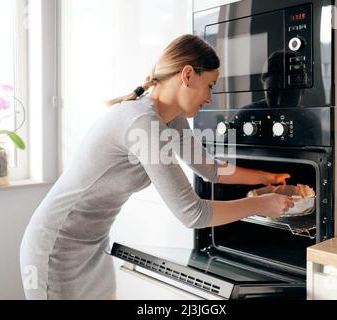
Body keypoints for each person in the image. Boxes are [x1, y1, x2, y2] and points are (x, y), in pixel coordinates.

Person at [20, 34, 294, 300]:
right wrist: (261, 205)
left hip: (94, 244)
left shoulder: (171, 120)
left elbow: (211, 169)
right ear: (187, 75)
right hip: (56, 247)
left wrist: (267, 177)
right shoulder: (142, 121)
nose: (210, 97)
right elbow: (193, 214)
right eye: (210, 85)